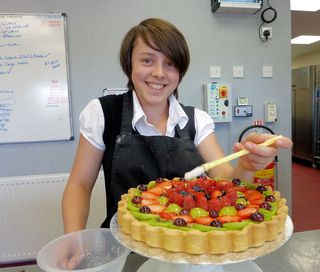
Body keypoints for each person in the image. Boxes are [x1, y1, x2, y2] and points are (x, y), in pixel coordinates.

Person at [62, 18, 292, 234]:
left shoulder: (196, 121)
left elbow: (227, 181)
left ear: (180, 72)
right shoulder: (103, 113)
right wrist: (73, 239)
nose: (159, 73)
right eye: (147, 60)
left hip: (188, 247)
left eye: (171, 64)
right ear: (129, 63)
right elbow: (80, 185)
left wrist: (247, 164)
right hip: (124, 244)